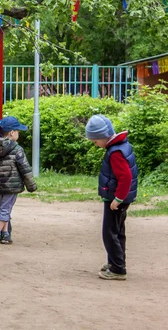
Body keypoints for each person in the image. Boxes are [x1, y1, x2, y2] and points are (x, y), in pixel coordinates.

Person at [86, 114, 138, 281]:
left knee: (109, 233)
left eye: (95, 141)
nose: (95, 144)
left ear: (102, 136)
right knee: (118, 232)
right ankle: (117, 262)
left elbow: (126, 178)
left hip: (116, 200)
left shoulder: (115, 152)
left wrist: (118, 199)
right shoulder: (122, 146)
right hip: (120, 198)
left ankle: (117, 269)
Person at [0, 117, 37, 244]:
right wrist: (31, 185)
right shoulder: (17, 149)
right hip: (12, 184)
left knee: (3, 207)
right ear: (11, 132)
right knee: (5, 209)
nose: (18, 133)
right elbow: (25, 168)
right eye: (17, 131)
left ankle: (5, 234)